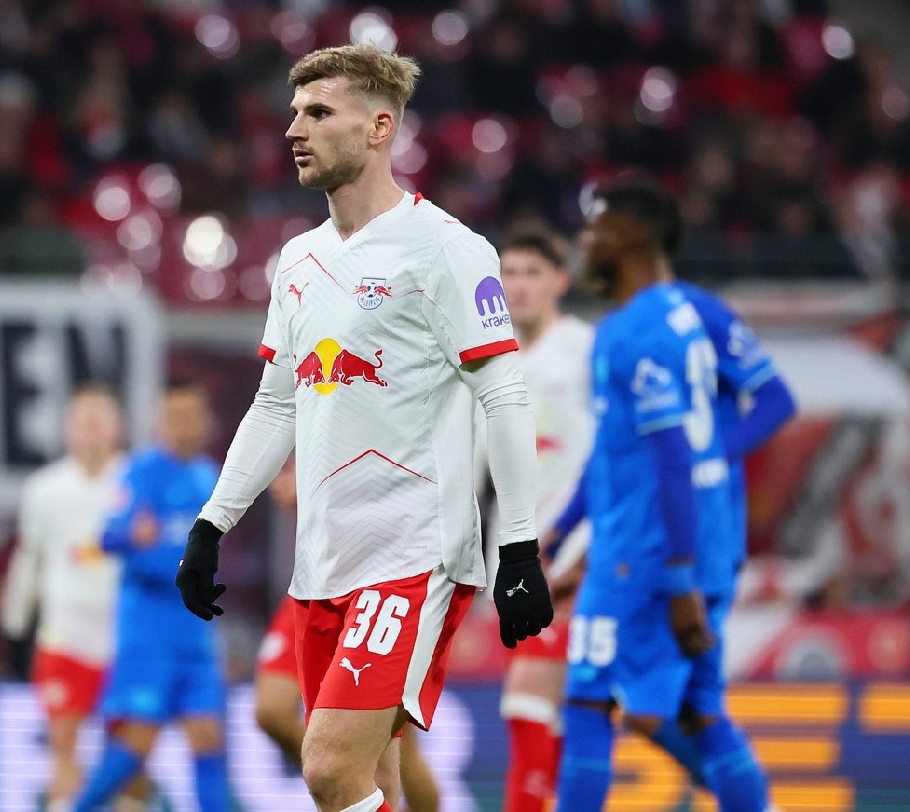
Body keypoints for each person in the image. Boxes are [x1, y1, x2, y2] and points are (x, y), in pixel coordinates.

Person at [174, 43, 552, 812]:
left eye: (318, 113)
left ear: (380, 128)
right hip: (324, 560)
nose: (294, 129)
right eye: (293, 112)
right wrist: (213, 521)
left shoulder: (448, 249)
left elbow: (504, 394)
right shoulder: (299, 260)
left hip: (413, 554)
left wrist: (519, 543)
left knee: (329, 767)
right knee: (373, 779)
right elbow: (276, 403)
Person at [554, 178, 775, 812]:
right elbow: (620, 450)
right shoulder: (689, 314)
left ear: (623, 236)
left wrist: (676, 582)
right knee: (702, 712)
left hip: (645, 554)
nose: (585, 241)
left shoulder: (630, 332)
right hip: (699, 543)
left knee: (589, 702)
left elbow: (675, 457)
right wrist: (564, 529)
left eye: (594, 228)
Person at [73, 380, 230, 812]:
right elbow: (108, 535)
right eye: (174, 417)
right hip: (149, 634)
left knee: (208, 739)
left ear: (206, 420)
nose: (184, 427)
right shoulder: (142, 471)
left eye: (191, 417)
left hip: (194, 635)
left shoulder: (208, 475)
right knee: (138, 743)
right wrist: (132, 536)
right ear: (160, 422)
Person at [255, 460, 441, 812]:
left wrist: (315, 479)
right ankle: (340, 779)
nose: (276, 482)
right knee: (271, 711)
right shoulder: (303, 409)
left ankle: (346, 777)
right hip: (314, 588)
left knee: (396, 752)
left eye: (286, 471)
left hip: (379, 581)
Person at [0, 386, 147, 812]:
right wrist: (14, 626)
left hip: (125, 637)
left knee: (129, 755)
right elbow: (31, 557)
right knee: (63, 744)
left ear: (117, 429)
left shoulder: (137, 480)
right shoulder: (44, 489)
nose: (92, 430)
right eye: (83, 421)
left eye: (100, 420)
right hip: (66, 635)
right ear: (68, 430)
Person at [489, 228, 593, 812]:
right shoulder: (493, 360)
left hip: (577, 558)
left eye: (532, 273)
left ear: (561, 282)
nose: (518, 285)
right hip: (521, 563)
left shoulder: (584, 349)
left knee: (527, 704)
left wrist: (586, 549)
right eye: (509, 273)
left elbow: (613, 453)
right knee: (560, 713)